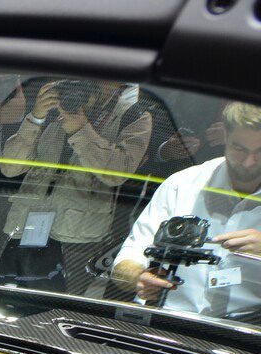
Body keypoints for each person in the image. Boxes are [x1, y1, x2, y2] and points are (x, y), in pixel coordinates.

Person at [0, 80, 152, 295]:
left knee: (62, 305)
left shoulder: (134, 115)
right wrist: (36, 117)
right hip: (26, 224)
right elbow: (10, 168)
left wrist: (81, 129)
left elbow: (116, 173)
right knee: (7, 296)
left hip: (79, 236)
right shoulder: (55, 102)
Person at [111, 102, 261, 321]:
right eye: (240, 149)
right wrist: (138, 277)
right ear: (225, 136)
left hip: (246, 327)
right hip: (165, 317)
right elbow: (128, 258)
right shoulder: (182, 184)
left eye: (260, 151)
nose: (249, 162)